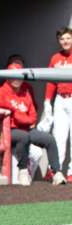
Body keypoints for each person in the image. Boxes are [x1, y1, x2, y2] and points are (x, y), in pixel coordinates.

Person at [0, 63, 67, 186]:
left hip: (25, 129)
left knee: (49, 139)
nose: (17, 79)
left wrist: (17, 116)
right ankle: (23, 171)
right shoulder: (0, 91)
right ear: (7, 76)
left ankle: (57, 173)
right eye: (14, 76)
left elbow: (33, 116)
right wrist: (18, 114)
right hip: (8, 130)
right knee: (23, 136)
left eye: (20, 76)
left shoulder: (25, 93)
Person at [42, 27, 72, 181]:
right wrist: (47, 101)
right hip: (60, 99)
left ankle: (71, 172)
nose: (65, 41)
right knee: (59, 136)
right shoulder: (55, 58)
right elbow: (51, 81)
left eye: (68, 38)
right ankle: (55, 170)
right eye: (62, 39)